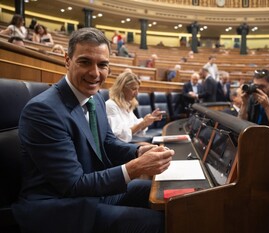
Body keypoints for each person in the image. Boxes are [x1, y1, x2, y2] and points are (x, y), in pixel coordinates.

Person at [12, 27, 174, 233]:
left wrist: (137, 152)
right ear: (67, 60)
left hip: (93, 192)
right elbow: (73, 185)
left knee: (169, 197)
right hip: (60, 207)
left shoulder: (96, 98)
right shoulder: (43, 110)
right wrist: (136, 167)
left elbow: (107, 142)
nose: (95, 73)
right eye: (85, 62)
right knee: (158, 224)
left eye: (102, 64)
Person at [238, 69, 269, 233]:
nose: (258, 90)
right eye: (255, 86)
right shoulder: (252, 100)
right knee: (252, 195)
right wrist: (244, 104)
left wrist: (267, 106)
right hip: (253, 154)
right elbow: (241, 124)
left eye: (263, 86)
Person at [106, 71, 164, 143]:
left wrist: (148, 120)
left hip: (129, 143)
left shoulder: (127, 103)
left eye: (138, 89)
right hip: (119, 146)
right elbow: (118, 136)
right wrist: (143, 123)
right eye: (133, 89)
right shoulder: (110, 105)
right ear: (121, 88)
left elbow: (134, 127)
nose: (137, 93)